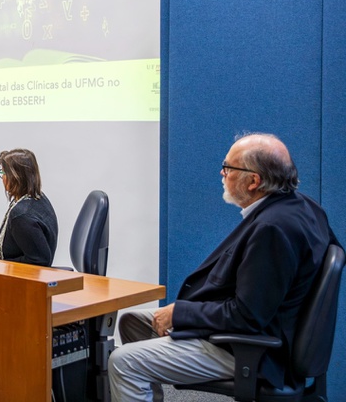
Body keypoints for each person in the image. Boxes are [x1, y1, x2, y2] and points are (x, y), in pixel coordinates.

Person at [108, 133, 340, 402]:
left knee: (122, 362)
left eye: (228, 167)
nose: (222, 173)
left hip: (250, 351)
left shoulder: (272, 229)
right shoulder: (304, 207)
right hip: (261, 331)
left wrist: (181, 313)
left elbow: (248, 317)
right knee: (132, 322)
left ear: (254, 181)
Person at [0, 148, 58, 266]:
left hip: (16, 274)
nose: (2, 178)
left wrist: (0, 264)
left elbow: (39, 261)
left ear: (15, 177)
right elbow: (4, 239)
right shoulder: (37, 198)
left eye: (4, 173)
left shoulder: (22, 215)